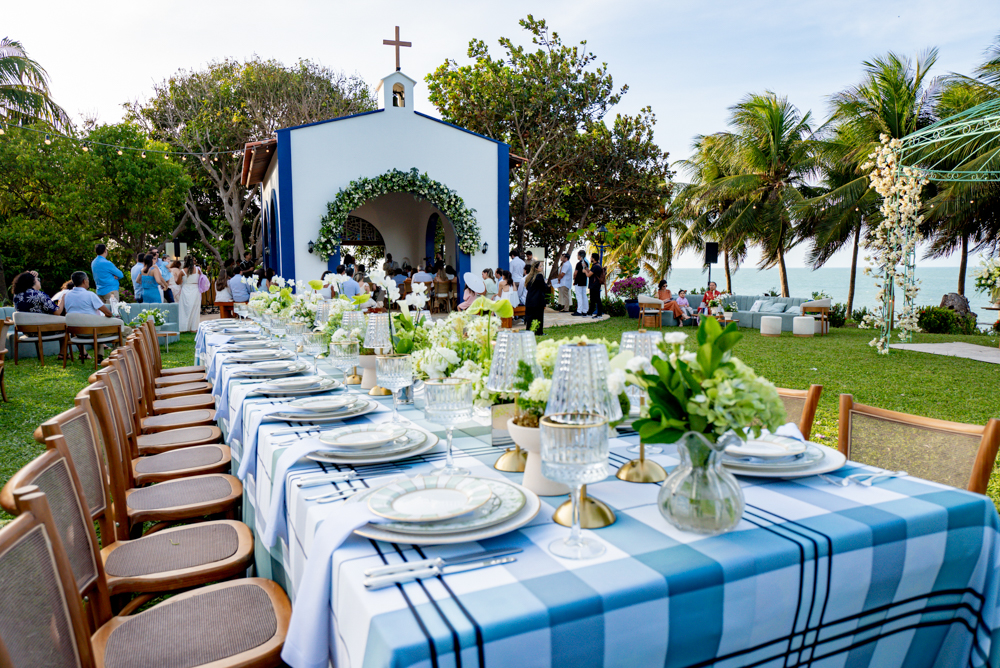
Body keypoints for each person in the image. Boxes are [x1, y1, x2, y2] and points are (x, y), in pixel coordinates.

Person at [62, 271, 116, 361]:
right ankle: (115, 357)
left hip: (77, 333)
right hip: (92, 332)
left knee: (96, 323)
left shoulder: (67, 295)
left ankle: (100, 357)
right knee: (124, 330)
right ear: (84, 281)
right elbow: (108, 313)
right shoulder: (90, 295)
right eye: (87, 279)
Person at [178, 256, 202, 332]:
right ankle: (194, 327)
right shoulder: (198, 270)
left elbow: (178, 282)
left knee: (185, 309)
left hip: (186, 289)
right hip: (195, 289)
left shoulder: (182, 271)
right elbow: (201, 279)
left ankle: (184, 327)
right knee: (195, 309)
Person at [523, 261, 548, 334]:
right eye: (540, 266)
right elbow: (544, 287)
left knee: (530, 317)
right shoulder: (539, 276)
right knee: (539, 317)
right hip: (537, 300)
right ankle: (539, 332)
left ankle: (529, 331)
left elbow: (528, 288)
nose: (542, 268)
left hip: (530, 299)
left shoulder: (529, 277)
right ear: (536, 268)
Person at [585, 252, 604, 318]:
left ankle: (599, 314)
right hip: (594, 285)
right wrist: (585, 268)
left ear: (593, 258)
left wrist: (585, 272)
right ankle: (590, 312)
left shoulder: (596, 267)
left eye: (591, 257)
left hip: (595, 285)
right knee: (592, 300)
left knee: (597, 299)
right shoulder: (596, 265)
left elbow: (588, 274)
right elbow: (590, 272)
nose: (590, 258)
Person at [572, 250, 589, 316]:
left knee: (579, 296)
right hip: (584, 281)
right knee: (584, 295)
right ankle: (585, 310)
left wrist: (574, 278)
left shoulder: (579, 264)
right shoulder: (586, 263)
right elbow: (587, 270)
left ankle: (579, 310)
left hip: (578, 282)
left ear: (580, 256)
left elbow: (575, 273)